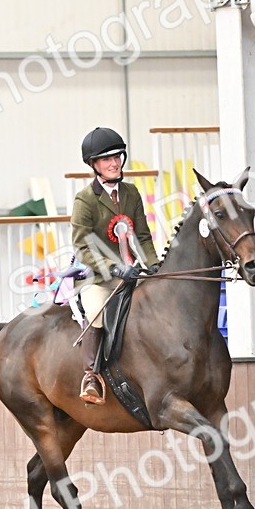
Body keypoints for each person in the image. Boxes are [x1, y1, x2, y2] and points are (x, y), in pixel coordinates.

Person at [70, 126, 158, 404]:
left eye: (117, 156)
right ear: (94, 165)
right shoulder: (85, 199)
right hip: (98, 276)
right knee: (97, 311)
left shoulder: (131, 193)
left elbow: (142, 235)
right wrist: (114, 267)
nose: (114, 163)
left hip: (132, 272)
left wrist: (154, 265)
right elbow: (82, 246)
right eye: (107, 159)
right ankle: (91, 376)